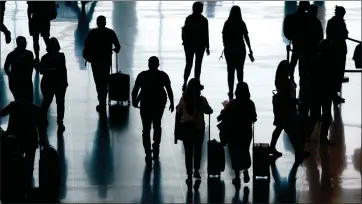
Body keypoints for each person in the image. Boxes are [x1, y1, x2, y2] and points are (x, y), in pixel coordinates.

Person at [132, 56, 174, 166]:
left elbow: (136, 90)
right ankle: (156, 147)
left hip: (146, 104)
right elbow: (169, 90)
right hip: (159, 104)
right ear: (158, 64)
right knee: (157, 125)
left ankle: (147, 152)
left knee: (146, 129)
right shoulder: (163, 76)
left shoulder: (142, 75)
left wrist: (134, 100)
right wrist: (172, 103)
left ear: (149, 64)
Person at [0, 94, 44, 191]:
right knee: (29, 163)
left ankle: (16, 184)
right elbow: (43, 124)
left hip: (16, 140)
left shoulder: (13, 106)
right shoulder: (35, 109)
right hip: (30, 140)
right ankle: (27, 185)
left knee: (15, 163)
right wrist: (43, 140)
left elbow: (2, 113)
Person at [217, 82, 256, 186]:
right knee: (244, 150)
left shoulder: (232, 103)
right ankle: (246, 169)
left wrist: (225, 106)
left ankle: (237, 177)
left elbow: (222, 115)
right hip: (246, 132)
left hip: (233, 132)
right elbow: (254, 118)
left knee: (234, 153)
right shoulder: (250, 103)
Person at [176, 78, 213, 184]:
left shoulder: (183, 99)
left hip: (186, 128)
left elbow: (179, 111)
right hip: (198, 128)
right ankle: (196, 170)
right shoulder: (202, 100)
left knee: (188, 152)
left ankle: (188, 174)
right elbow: (209, 110)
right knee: (198, 150)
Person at [270, 60, 306, 162]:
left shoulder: (281, 80)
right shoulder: (284, 81)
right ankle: (298, 153)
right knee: (291, 131)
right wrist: (296, 101)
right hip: (287, 109)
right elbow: (287, 98)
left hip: (283, 108)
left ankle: (273, 147)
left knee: (281, 128)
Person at [84, 15, 121, 113]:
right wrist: (114, 49)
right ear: (105, 23)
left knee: (98, 81)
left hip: (95, 61)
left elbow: (86, 46)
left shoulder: (92, 33)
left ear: (97, 22)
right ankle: (103, 100)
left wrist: (88, 57)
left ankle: (102, 102)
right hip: (106, 61)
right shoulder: (110, 32)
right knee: (104, 80)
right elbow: (118, 46)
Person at [222, 6, 253, 100]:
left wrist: (226, 45)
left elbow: (223, 36)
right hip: (240, 49)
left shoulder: (227, 23)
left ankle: (231, 91)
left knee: (230, 71)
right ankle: (240, 89)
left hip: (229, 50)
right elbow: (246, 37)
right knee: (240, 70)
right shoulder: (241, 23)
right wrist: (250, 49)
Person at [309, 39, 336, 145]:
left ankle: (306, 136)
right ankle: (323, 137)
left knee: (315, 116)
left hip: (317, 92)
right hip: (325, 92)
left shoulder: (315, 60)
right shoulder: (329, 61)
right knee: (326, 116)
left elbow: (311, 78)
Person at [39, 37, 68, 133]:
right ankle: (59, 122)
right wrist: (65, 81)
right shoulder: (61, 56)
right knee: (59, 103)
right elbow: (64, 70)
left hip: (48, 83)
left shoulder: (45, 58)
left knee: (47, 102)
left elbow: (41, 71)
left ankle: (43, 119)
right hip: (58, 83)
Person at [181, 1, 210, 91]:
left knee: (189, 64)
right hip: (200, 45)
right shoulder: (204, 20)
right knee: (198, 65)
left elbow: (185, 32)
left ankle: (185, 82)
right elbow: (206, 34)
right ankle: (196, 82)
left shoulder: (189, 19)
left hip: (189, 45)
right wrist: (207, 47)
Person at [326, 6, 349, 104]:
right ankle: (334, 94)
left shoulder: (332, 22)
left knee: (336, 73)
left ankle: (334, 94)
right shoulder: (338, 22)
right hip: (338, 51)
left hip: (336, 50)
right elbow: (344, 34)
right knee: (337, 73)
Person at [4, 36, 35, 103]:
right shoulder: (29, 54)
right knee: (27, 101)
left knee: (19, 101)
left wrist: (10, 75)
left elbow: (6, 67)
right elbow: (31, 66)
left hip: (18, 81)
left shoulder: (11, 55)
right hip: (24, 81)